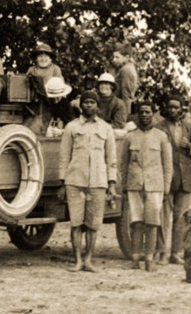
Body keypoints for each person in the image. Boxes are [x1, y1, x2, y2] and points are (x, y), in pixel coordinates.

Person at [59, 90, 118, 272]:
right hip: (75, 181)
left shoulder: (106, 129)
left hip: (98, 182)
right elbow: (64, 156)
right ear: (81, 105)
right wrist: (63, 182)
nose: (89, 105)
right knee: (76, 222)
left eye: (93, 102)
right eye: (86, 102)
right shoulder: (71, 127)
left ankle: (89, 260)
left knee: (93, 223)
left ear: (98, 106)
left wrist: (111, 183)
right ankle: (77, 260)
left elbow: (112, 158)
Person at [120, 102, 173, 272]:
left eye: (147, 112)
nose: (144, 115)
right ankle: (135, 258)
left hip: (155, 185)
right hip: (135, 184)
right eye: (141, 112)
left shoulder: (161, 136)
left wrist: (166, 188)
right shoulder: (129, 137)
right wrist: (124, 185)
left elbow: (167, 165)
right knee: (136, 221)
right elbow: (124, 163)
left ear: (153, 114)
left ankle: (149, 259)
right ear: (137, 115)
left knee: (152, 222)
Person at [154, 96, 191, 265]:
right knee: (163, 218)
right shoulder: (158, 128)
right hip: (166, 178)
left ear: (181, 110)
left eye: (176, 107)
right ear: (166, 109)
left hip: (185, 179)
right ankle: (160, 253)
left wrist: (189, 146)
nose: (173, 110)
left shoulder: (189, 128)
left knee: (180, 219)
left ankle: (175, 253)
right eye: (170, 107)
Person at [25, 43, 68, 135]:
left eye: (46, 56)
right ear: (36, 58)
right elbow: (25, 84)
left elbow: (60, 85)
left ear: (50, 59)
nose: (43, 59)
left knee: (51, 123)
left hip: (52, 100)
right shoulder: (32, 69)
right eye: (40, 56)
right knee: (32, 123)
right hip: (35, 102)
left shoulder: (55, 69)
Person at [112, 44, 139, 116]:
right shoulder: (126, 68)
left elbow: (126, 96)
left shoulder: (126, 70)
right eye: (113, 57)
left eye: (117, 57)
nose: (113, 60)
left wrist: (125, 116)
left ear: (126, 57)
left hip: (120, 110)